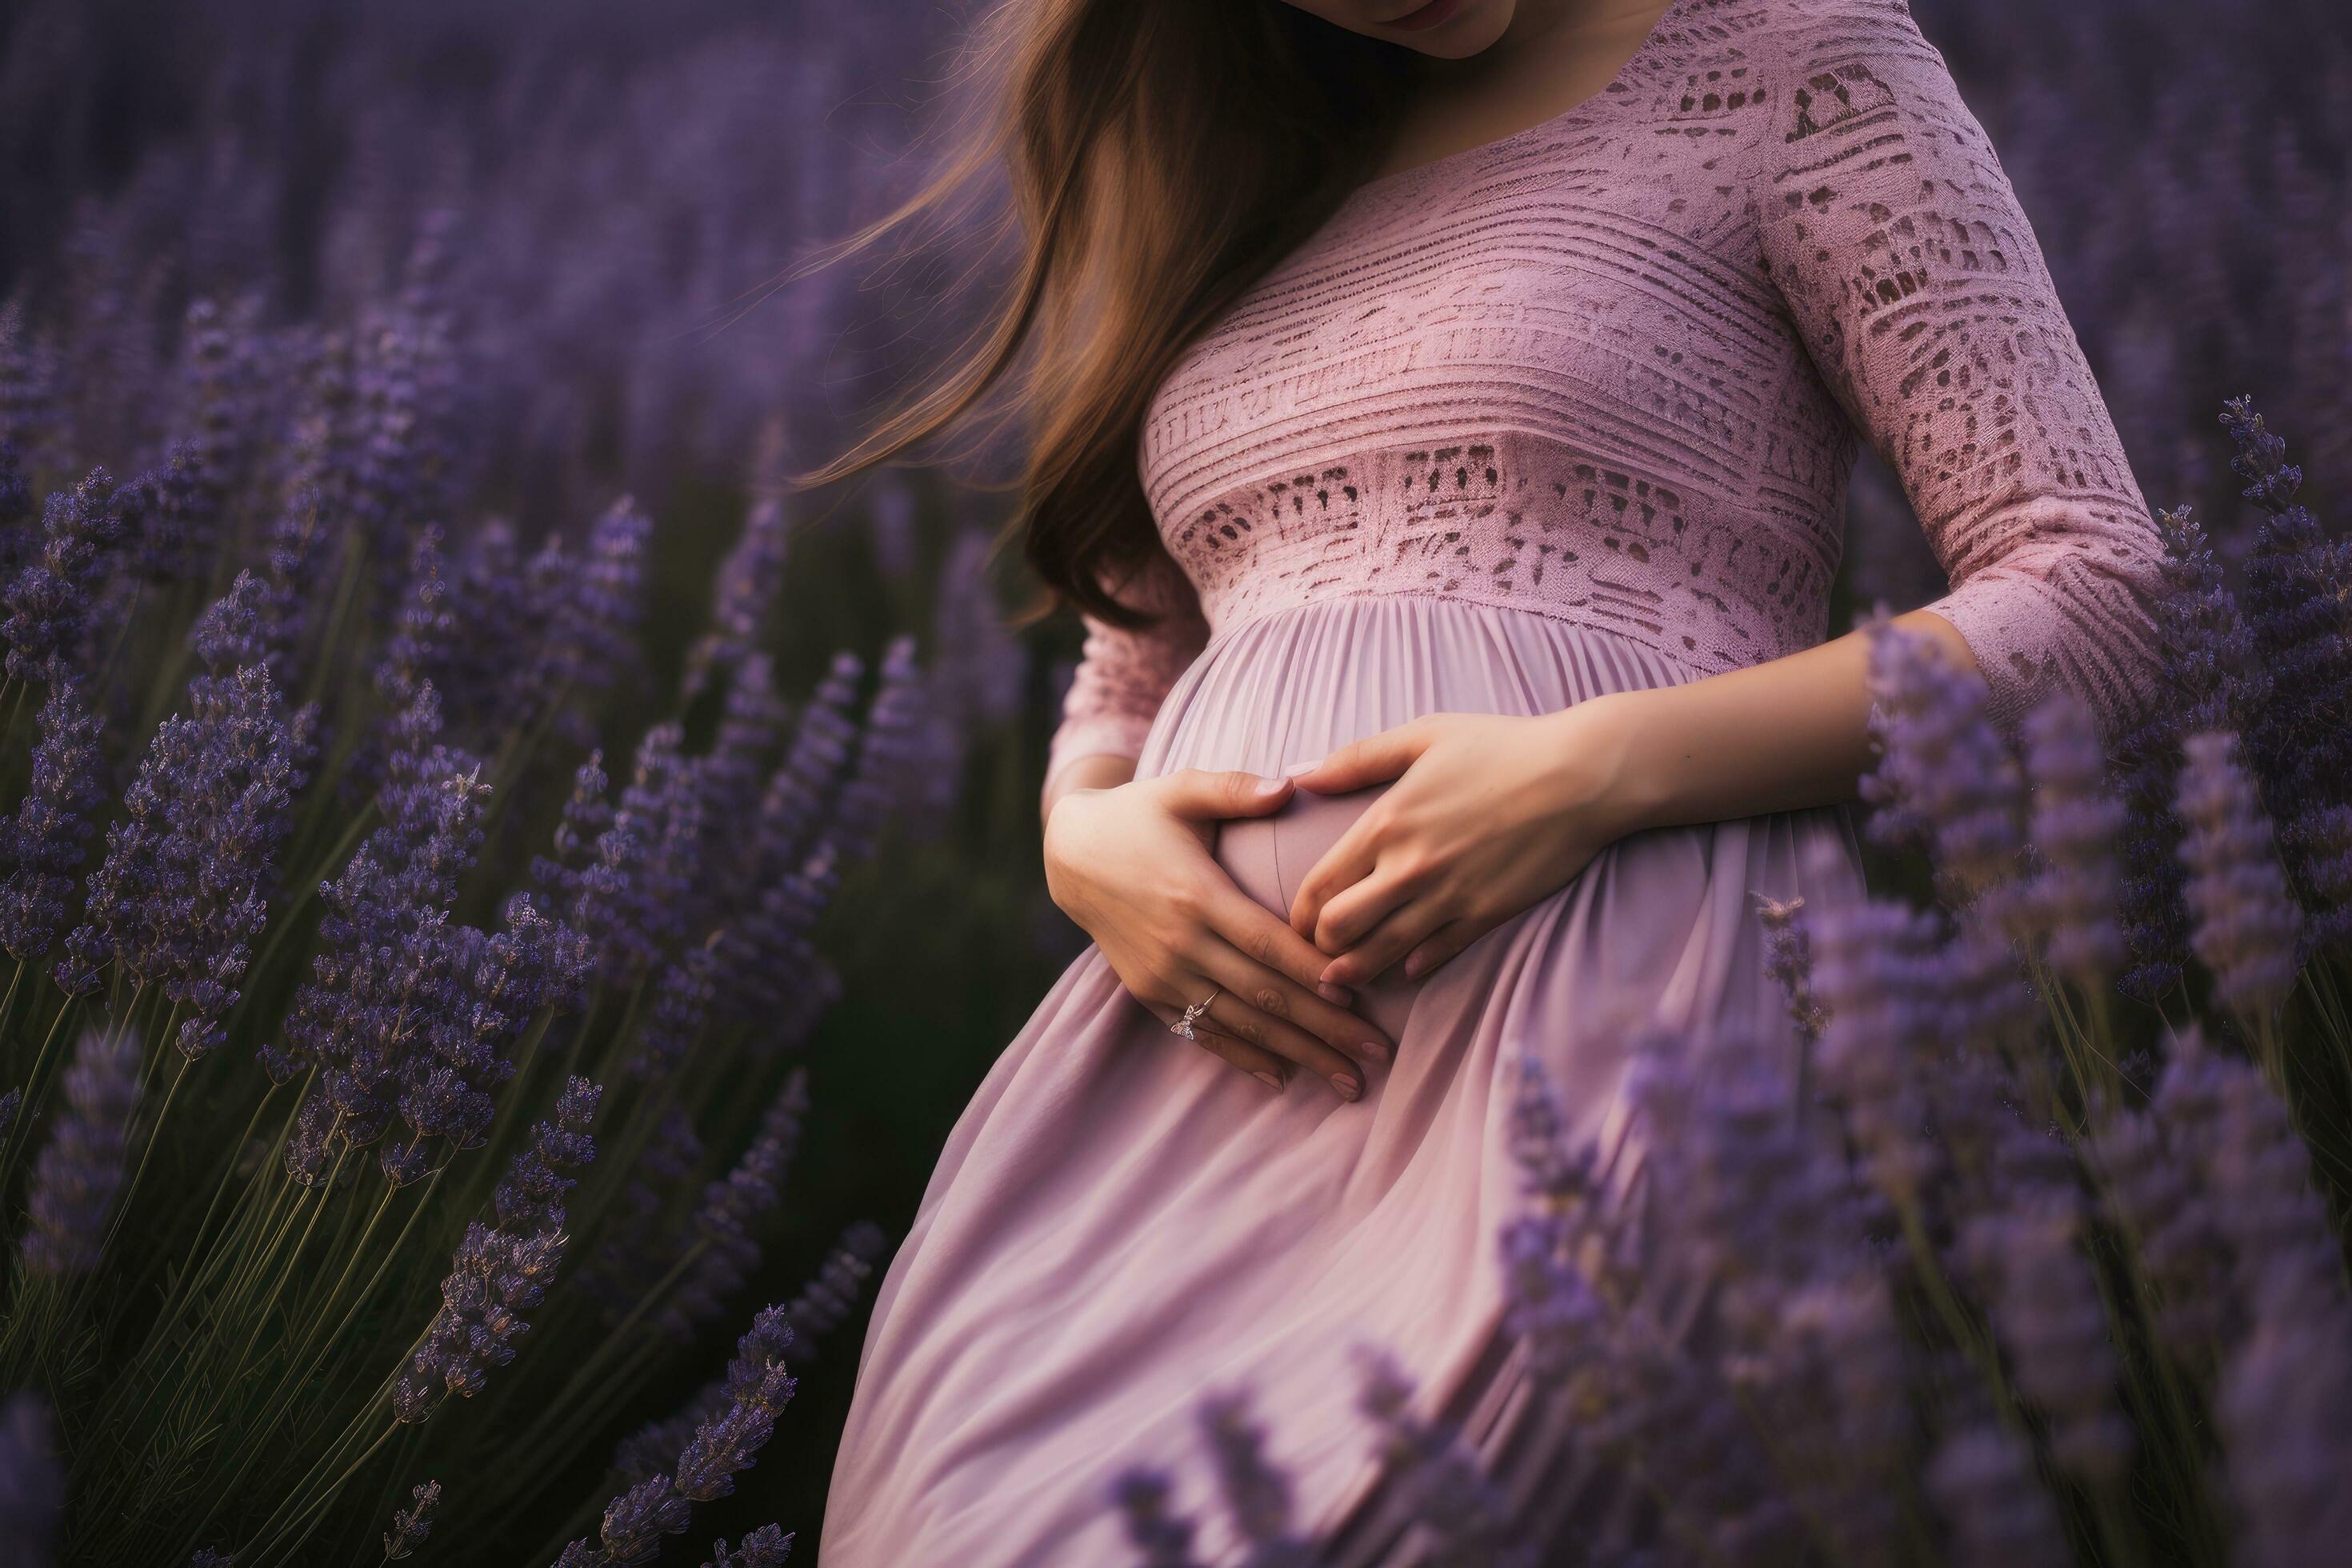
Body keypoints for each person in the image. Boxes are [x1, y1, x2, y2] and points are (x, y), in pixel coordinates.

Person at [806, 0, 2165, 1560]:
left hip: (1596, 1062)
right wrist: (1083, 835)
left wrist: (1594, 767)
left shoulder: (1799, 61)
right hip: (1182, 1088)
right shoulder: (1240, 154)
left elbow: (2098, 584)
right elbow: (1130, 665)